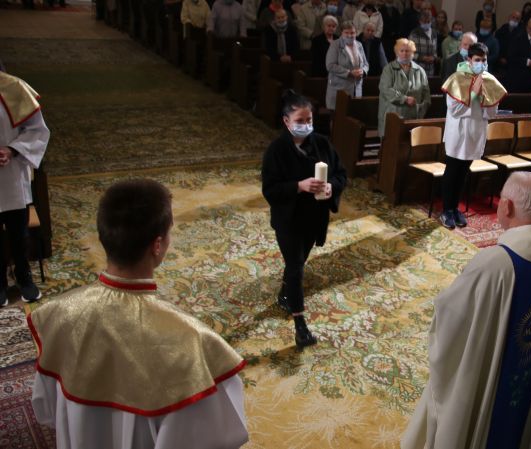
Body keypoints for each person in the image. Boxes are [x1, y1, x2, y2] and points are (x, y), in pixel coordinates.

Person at [28, 179, 249, 448]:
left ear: (104, 236)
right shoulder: (191, 343)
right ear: (158, 245)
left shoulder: (58, 314)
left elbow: (45, 408)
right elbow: (217, 435)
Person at [402, 171, 531, 449]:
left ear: (507, 206)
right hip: (529, 386)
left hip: (490, 393)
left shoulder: (495, 263)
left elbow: (452, 322)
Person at [262, 91, 347, 348]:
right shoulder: (276, 151)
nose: (306, 124)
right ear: (286, 121)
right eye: (300, 120)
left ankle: (284, 292)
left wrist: (332, 187)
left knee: (297, 263)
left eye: (309, 119)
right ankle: (300, 325)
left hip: (314, 219)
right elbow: (270, 190)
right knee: (296, 266)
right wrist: (298, 186)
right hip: (289, 220)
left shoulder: (322, 143)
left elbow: (341, 174)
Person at [440, 42, 507, 229]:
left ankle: (455, 208)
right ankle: (446, 210)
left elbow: (492, 114)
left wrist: (488, 100)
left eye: (484, 60)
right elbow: (454, 110)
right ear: (469, 60)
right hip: (458, 132)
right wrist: (474, 94)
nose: (481, 64)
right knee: (452, 172)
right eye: (477, 60)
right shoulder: (457, 78)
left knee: (463, 173)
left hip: (476, 132)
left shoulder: (489, 80)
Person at [0, 70, 49, 307]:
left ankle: (24, 275)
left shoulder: (14, 88)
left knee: (18, 232)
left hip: (11, 175)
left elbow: (38, 130)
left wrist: (11, 150)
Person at [378, 38, 430, 137]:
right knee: (391, 142)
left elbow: (426, 94)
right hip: (393, 115)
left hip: (414, 117)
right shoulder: (388, 69)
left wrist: (420, 111)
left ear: (412, 53)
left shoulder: (420, 71)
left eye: (408, 51)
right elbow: (385, 89)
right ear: (396, 52)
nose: (405, 53)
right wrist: (404, 99)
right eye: (401, 51)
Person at [325, 21, 369, 110]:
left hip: (357, 89)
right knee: (339, 116)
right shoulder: (335, 45)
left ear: (356, 33)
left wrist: (363, 71)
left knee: (355, 115)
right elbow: (330, 65)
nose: (350, 35)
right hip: (339, 90)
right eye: (346, 33)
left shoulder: (359, 45)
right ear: (341, 33)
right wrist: (349, 73)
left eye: (352, 33)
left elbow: (365, 64)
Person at [507, 17, 531, 93]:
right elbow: (511, 58)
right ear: (527, 28)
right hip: (520, 79)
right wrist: (528, 62)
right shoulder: (518, 39)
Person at [408, 11, 438, 77]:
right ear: (420, 21)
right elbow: (409, 52)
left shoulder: (434, 33)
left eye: (428, 21)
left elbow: (435, 52)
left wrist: (433, 57)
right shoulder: (414, 33)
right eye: (424, 22)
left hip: (430, 71)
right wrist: (422, 58)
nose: (427, 23)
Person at [494, 10, 521, 77]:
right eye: (513, 17)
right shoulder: (501, 30)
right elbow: (497, 45)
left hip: (513, 63)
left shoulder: (521, 33)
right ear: (509, 18)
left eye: (517, 18)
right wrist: (500, 57)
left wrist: (509, 60)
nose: (515, 20)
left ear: (519, 20)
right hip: (500, 61)